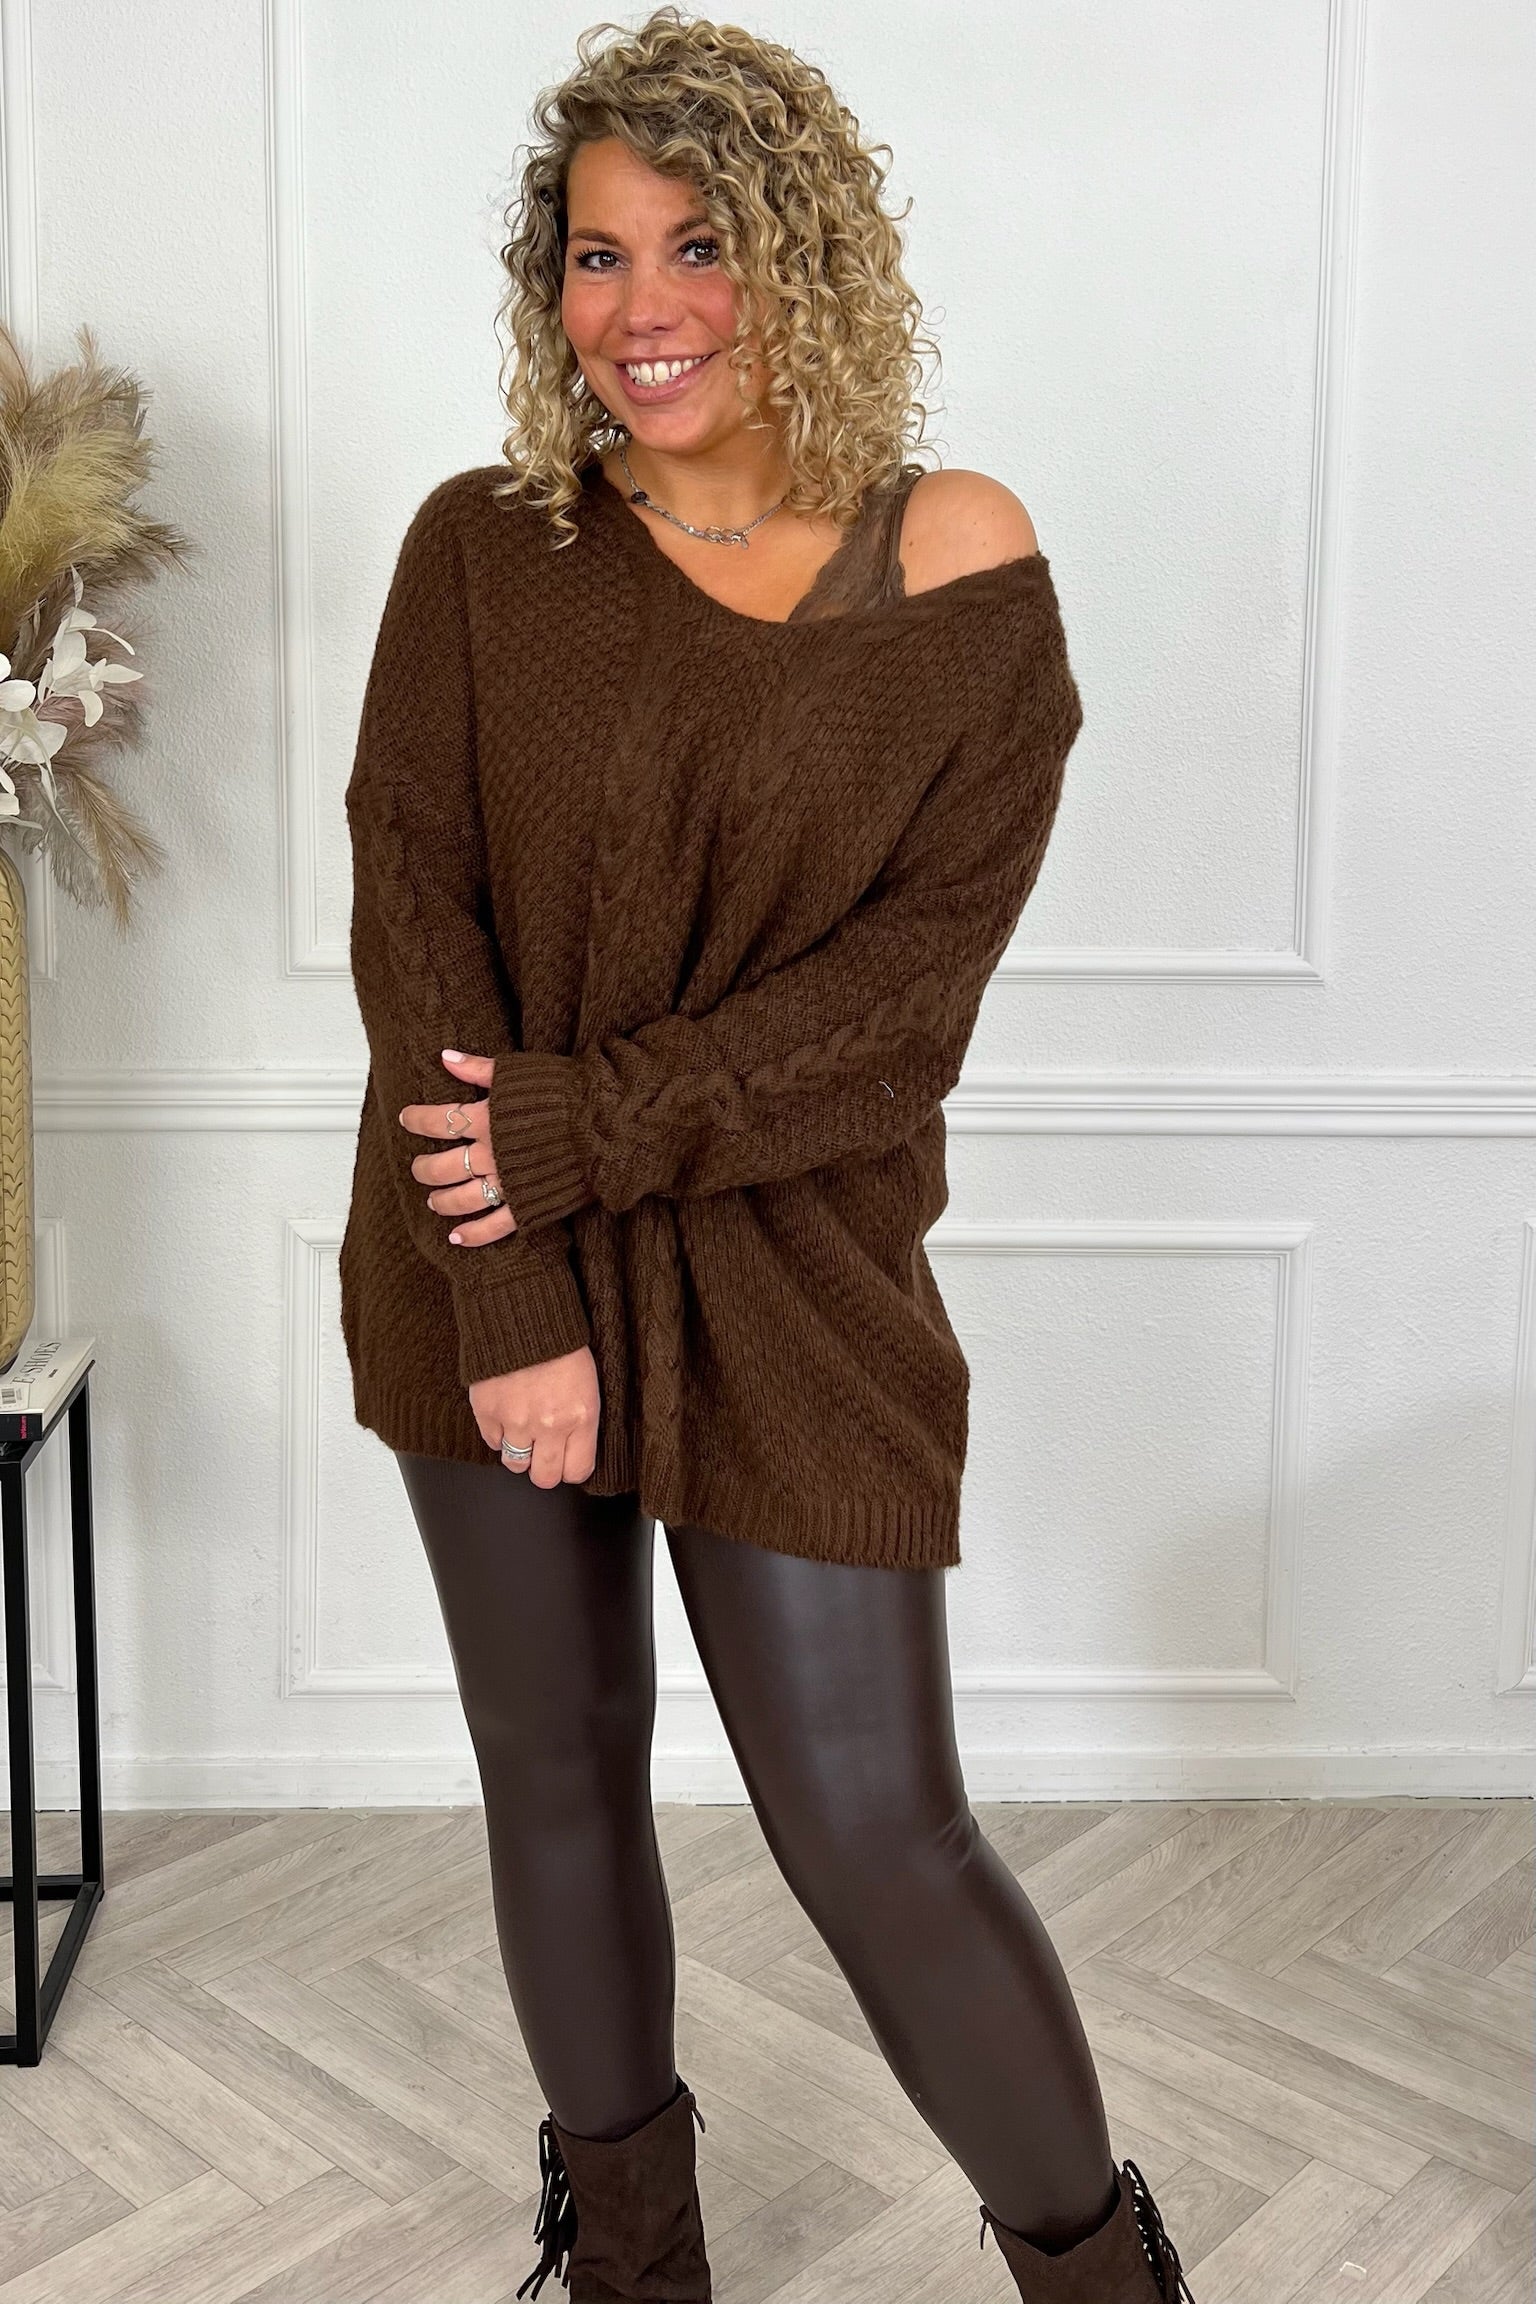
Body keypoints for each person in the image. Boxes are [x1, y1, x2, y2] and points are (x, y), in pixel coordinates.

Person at [338, 10, 1194, 2300]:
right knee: (557, 1772)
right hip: (482, 1252)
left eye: (697, 243)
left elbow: (900, 1014)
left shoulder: (957, 556)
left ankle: (1101, 2273)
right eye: (595, 255)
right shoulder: (484, 549)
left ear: (800, 252)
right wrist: (513, 1285)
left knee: (879, 1832)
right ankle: (635, 2264)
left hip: (793, 1273)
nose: (643, 309)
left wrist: (582, 1133)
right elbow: (417, 920)